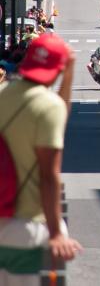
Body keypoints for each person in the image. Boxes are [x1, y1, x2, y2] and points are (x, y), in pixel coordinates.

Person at [0, 34, 82, 284]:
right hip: (23, 227)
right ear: (57, 68)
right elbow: (48, 176)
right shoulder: (48, 106)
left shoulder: (4, 93)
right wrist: (57, 233)